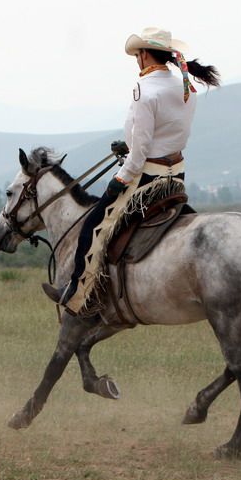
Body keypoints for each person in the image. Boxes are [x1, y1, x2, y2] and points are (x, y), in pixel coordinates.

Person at [43, 27, 220, 315]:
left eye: (138, 54)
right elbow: (166, 133)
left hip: (146, 178)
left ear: (146, 55)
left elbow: (141, 150)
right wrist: (131, 144)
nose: (136, 60)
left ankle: (79, 294)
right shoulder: (186, 88)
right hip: (176, 176)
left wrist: (122, 177)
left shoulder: (144, 90)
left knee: (93, 226)